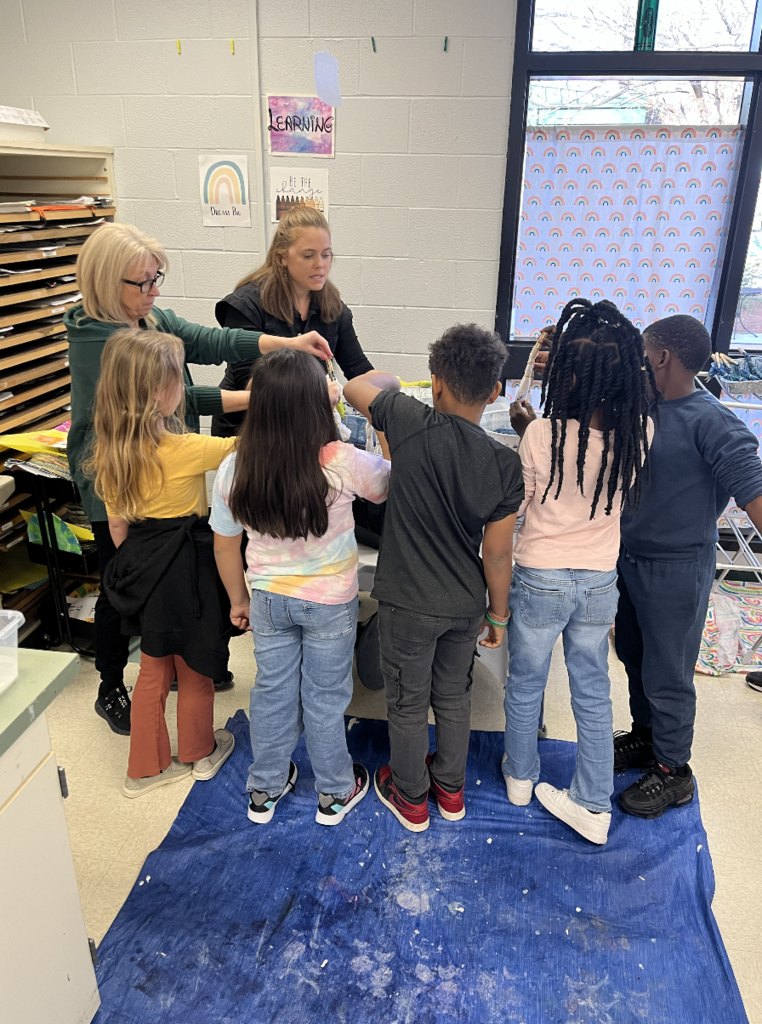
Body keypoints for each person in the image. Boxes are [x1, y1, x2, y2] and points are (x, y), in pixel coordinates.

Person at [67, 222, 332, 736]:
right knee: (121, 583)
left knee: (178, 571)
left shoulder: (150, 318)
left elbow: (210, 344)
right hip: (117, 477)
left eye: (155, 278)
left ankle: (175, 656)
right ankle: (109, 685)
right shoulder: (104, 342)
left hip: (166, 467)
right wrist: (273, 405)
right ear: (105, 282)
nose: (154, 292)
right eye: (141, 283)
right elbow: (184, 409)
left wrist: (285, 344)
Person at [343, 324, 525, 833]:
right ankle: (449, 790)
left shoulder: (408, 418)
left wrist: (402, 385)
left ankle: (411, 796)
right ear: (495, 392)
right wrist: (499, 613)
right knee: (453, 697)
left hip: (407, 603)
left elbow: (353, 386)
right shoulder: (505, 464)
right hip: (465, 606)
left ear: (437, 383)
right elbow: (498, 552)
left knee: (405, 702)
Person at [211, 349, 390, 826]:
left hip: (268, 599)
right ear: (318, 406)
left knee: (272, 690)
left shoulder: (235, 465)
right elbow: (390, 484)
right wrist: (386, 422)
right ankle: (333, 790)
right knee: (326, 696)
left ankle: (265, 787)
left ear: (258, 405)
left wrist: (237, 599)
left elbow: (225, 545)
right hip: (330, 603)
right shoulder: (342, 460)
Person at [505, 299, 654, 845]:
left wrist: (526, 430)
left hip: (540, 576)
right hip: (597, 582)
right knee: (592, 689)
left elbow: (521, 507)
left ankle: (520, 779)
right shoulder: (641, 433)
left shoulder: (543, 435)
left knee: (526, 680)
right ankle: (592, 801)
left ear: (566, 375)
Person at [614, 314, 762, 818]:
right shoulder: (644, 407)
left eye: (644, 352)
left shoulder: (713, 422)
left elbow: (755, 493)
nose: (640, 361)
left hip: (676, 569)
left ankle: (675, 772)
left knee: (668, 673)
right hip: (629, 558)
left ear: (661, 358)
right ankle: (647, 738)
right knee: (633, 656)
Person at [86, 328, 238, 797]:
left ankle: (144, 768)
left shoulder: (109, 454)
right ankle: (198, 752)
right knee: (195, 664)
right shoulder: (187, 448)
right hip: (188, 567)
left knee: (152, 670)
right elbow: (244, 451)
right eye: (178, 381)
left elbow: (117, 529)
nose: (183, 390)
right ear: (158, 393)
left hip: (143, 566)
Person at [212, 205, 373, 437]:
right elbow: (250, 384)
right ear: (282, 257)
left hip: (301, 428)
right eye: (308, 255)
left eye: (326, 255)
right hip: (249, 428)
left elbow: (359, 371)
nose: (320, 264)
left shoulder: (333, 308)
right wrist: (316, 393)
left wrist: (390, 395)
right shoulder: (247, 305)